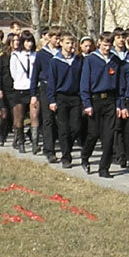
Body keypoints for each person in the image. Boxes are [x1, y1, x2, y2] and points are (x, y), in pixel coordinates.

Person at [80, 31, 123, 178]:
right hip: (95, 99)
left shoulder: (115, 60)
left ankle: (104, 168)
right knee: (93, 133)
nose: (107, 48)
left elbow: (118, 85)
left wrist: (119, 104)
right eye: (104, 45)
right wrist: (87, 103)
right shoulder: (91, 60)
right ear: (99, 43)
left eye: (109, 45)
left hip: (110, 100)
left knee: (109, 135)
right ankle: (85, 156)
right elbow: (84, 83)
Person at [47, 33, 83, 168]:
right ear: (61, 43)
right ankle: (66, 156)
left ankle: (68, 146)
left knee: (76, 127)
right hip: (61, 97)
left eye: (72, 43)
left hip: (75, 97)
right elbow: (51, 82)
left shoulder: (78, 60)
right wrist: (52, 100)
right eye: (67, 43)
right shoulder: (55, 61)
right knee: (63, 128)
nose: (70, 46)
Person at [31, 27, 60, 162]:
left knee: (59, 120)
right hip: (46, 87)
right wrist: (33, 94)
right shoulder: (42, 54)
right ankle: (49, 149)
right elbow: (35, 74)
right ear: (49, 38)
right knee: (47, 119)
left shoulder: (63, 53)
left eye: (60, 38)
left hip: (61, 88)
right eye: (56, 38)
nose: (58, 41)